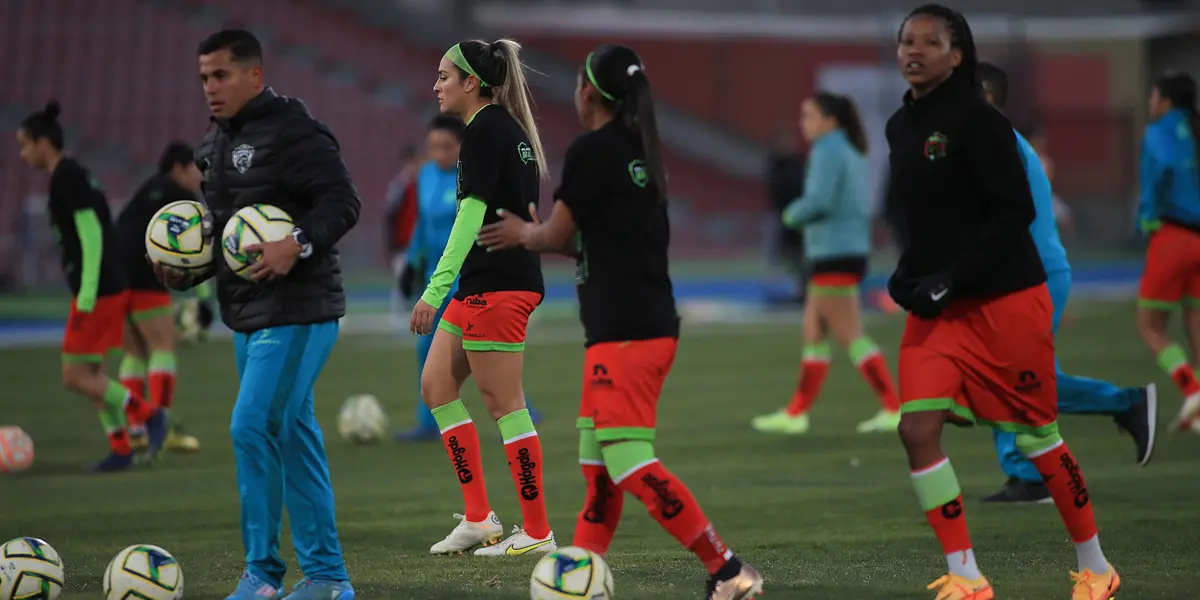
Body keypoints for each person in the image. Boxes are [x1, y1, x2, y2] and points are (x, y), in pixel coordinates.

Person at [477, 44, 764, 600]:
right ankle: (581, 573)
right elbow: (596, 242)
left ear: (588, 92)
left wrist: (524, 234)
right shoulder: (641, 152)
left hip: (626, 332)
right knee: (599, 471)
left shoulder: (592, 150)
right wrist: (546, 235)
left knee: (630, 464)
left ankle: (729, 571)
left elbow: (556, 235)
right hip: (637, 325)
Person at [887, 6, 1119, 599]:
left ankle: (1096, 567)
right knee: (916, 429)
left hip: (1005, 304)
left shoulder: (979, 121)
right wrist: (908, 274)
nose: (913, 50)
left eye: (928, 42)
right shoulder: (901, 126)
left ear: (956, 54)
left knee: (1038, 437)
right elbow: (921, 218)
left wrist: (954, 277)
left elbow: (1013, 211)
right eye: (906, 41)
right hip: (941, 312)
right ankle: (967, 579)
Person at [156, 29, 359, 600]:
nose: (210, 88)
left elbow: (343, 202)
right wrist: (189, 271)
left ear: (254, 75)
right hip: (247, 313)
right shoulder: (213, 145)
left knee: (253, 425)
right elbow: (224, 239)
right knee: (292, 434)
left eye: (220, 75)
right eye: (203, 78)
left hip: (299, 307)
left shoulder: (296, 131)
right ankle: (327, 580)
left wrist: (296, 241)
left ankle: (264, 577)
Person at [974, 62, 1157, 503]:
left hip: (1026, 274)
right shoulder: (991, 142)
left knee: (1012, 377)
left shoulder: (996, 143)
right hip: (1023, 272)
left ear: (984, 97)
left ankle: (1116, 408)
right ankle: (1031, 470)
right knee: (1012, 376)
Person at [410, 37, 555, 557]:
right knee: (436, 387)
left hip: (497, 287)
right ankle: (478, 518)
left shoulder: (484, 132)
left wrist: (433, 290)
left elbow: (470, 218)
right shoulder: (503, 129)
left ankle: (537, 531)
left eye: (444, 76)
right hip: (483, 284)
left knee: (505, 406)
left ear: (472, 82)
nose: (437, 85)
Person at [16, 101, 167, 473]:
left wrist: (86, 291)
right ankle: (121, 449)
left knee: (75, 376)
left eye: (25, 145)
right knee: (93, 376)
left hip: (98, 290)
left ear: (43, 143)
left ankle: (148, 414)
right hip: (105, 285)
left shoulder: (67, 177)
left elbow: (91, 233)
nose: (22, 154)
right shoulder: (73, 174)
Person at [751, 92, 902, 436]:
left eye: (810, 115)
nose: (804, 123)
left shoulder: (827, 150)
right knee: (814, 334)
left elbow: (819, 200)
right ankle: (796, 412)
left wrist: (791, 215)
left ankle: (893, 406)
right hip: (842, 251)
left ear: (829, 120)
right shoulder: (846, 149)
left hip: (834, 252)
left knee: (850, 335)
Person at [393, 115, 541, 442]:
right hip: (435, 278)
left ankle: (522, 408)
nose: (439, 154)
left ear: (462, 147)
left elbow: (469, 227)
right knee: (428, 353)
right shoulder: (427, 177)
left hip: (466, 281)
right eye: (433, 147)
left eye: (447, 147)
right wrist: (411, 263)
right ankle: (429, 422)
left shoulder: (470, 176)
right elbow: (422, 224)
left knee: (482, 357)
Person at [116, 141, 205, 454]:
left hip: (113, 274)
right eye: (196, 167)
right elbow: (196, 252)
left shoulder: (147, 189)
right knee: (163, 348)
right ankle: (161, 426)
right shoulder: (183, 198)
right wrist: (204, 299)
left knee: (134, 354)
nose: (200, 174)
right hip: (144, 275)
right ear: (179, 168)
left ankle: (136, 428)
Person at [1134, 71, 1200, 431]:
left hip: (1174, 234)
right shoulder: (1195, 128)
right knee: (1195, 320)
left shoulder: (1160, 132)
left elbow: (1161, 166)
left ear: (1166, 100)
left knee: (1149, 324)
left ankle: (1191, 389)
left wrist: (1146, 216)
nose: (1150, 103)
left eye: (1153, 95)